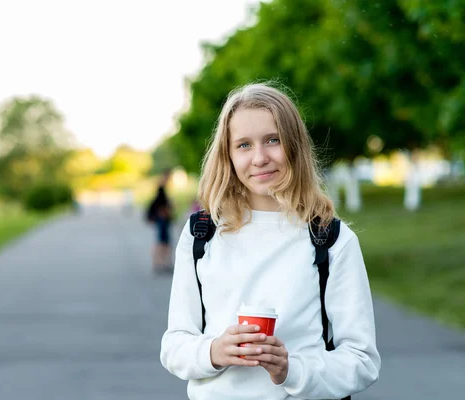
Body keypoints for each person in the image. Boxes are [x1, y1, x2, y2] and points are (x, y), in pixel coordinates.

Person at [160, 83, 380, 399]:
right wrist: (214, 351)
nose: (260, 157)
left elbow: (361, 361)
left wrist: (290, 370)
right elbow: (175, 345)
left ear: (295, 145)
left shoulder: (330, 239)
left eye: (272, 140)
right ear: (228, 155)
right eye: (244, 145)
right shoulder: (202, 233)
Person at [147, 170, 174, 274]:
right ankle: (159, 263)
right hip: (162, 220)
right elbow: (162, 207)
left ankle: (161, 263)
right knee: (162, 242)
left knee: (163, 242)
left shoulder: (162, 189)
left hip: (162, 220)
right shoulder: (161, 190)